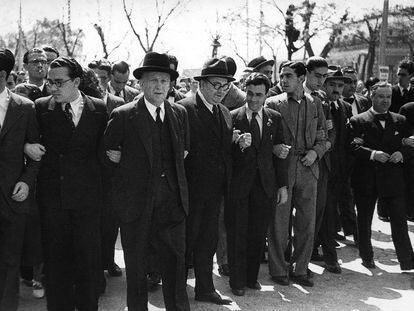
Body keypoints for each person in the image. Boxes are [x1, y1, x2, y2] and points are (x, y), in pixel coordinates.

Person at [103, 52, 190, 311]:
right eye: (153, 80)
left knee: (175, 268)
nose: (159, 86)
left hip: (172, 205)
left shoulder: (179, 113)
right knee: (138, 269)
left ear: (171, 84)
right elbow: (106, 159)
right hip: (136, 208)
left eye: (164, 80)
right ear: (140, 83)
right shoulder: (123, 115)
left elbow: (183, 154)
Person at [35, 57, 108, 311]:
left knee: (88, 264)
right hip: (54, 201)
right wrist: (26, 145)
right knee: (56, 266)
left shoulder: (98, 109)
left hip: (88, 202)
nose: (52, 88)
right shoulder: (41, 107)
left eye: (58, 82)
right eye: (49, 82)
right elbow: (30, 139)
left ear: (76, 82)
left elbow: (103, 155)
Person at [178, 58, 244, 305]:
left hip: (215, 192)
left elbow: (223, 150)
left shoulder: (225, 112)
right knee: (185, 242)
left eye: (225, 87)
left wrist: (237, 144)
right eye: (216, 85)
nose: (220, 91)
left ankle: (205, 289)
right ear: (202, 84)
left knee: (208, 241)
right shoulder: (183, 108)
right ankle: (177, 291)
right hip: (189, 192)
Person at [265, 61, 327, 287]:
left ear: (302, 79)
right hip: (282, 168)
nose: (283, 80)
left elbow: (324, 138)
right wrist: (273, 149)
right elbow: (265, 138)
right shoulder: (273, 103)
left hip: (308, 168)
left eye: (288, 76)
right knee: (279, 221)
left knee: (306, 222)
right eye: (282, 76)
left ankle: (300, 269)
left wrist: (315, 152)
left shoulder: (316, 104)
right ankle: (279, 269)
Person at [226, 72, 288, 296]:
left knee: (257, 234)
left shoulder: (275, 118)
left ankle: (251, 278)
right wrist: (235, 144)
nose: (253, 99)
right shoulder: (231, 116)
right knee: (237, 234)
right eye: (250, 93)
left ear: (266, 95)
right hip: (239, 187)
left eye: (258, 95)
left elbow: (280, 153)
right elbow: (224, 156)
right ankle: (237, 282)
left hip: (265, 186)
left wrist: (282, 186)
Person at [349, 81, 414, 270]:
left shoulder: (400, 120)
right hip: (367, 178)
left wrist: (402, 153)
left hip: (393, 178)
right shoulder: (358, 120)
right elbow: (352, 146)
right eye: (380, 96)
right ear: (371, 96)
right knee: (364, 219)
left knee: (399, 221)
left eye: (388, 97)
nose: (385, 101)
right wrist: (372, 154)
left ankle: (406, 261)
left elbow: (411, 144)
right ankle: (366, 256)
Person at [0, 48, 41, 311]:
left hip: (11, 198)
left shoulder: (24, 108)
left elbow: (37, 152)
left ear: (2, 75)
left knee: (9, 262)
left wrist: (26, 181)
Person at [318, 66, 353, 273]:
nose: (337, 89)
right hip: (321, 168)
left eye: (340, 85)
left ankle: (316, 249)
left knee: (329, 213)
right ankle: (331, 257)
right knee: (327, 213)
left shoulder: (345, 108)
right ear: (324, 84)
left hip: (339, 170)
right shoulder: (319, 106)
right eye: (332, 84)